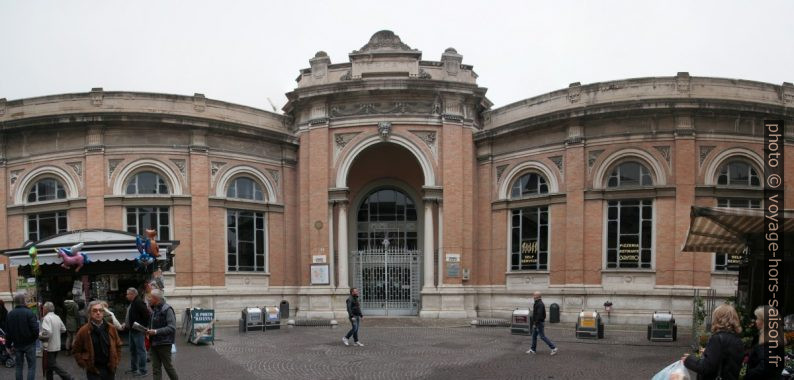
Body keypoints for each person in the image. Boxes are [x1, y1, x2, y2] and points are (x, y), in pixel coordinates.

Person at [682, 304, 745, 380]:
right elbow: (726, 361)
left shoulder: (718, 339)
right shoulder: (738, 340)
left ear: (718, 319)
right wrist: (708, 352)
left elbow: (706, 368)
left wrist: (689, 360)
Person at [72, 300, 123, 380]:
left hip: (110, 367)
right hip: (94, 369)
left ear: (103, 312)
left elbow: (118, 345)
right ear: (90, 313)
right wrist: (84, 364)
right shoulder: (84, 330)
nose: (98, 313)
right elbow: (76, 350)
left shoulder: (111, 328)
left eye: (100, 310)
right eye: (95, 310)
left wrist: (116, 361)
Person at [744, 305, 785, 379]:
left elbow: (765, 367)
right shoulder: (775, 337)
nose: (755, 321)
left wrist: (749, 375)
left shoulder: (767, 340)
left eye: (757, 318)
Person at [6, 292, 39, 380]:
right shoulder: (29, 313)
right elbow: (36, 329)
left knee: (19, 366)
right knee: (31, 367)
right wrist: (33, 339)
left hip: (17, 344)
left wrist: (8, 346)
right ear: (24, 301)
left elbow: (8, 332)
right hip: (29, 343)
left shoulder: (10, 314)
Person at [147, 289, 178, 380]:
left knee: (168, 367)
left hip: (164, 343)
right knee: (156, 368)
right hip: (154, 343)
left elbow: (172, 327)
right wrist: (148, 331)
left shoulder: (167, 309)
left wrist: (156, 331)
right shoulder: (155, 309)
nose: (149, 299)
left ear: (156, 298)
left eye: (150, 298)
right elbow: (154, 324)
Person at [40, 301, 74, 380]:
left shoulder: (46, 318)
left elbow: (47, 332)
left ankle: (68, 377)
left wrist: (40, 336)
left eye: (43, 308)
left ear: (46, 309)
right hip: (56, 344)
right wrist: (56, 333)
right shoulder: (57, 317)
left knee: (52, 364)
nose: (43, 310)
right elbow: (63, 329)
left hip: (49, 345)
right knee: (49, 366)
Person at [123, 287, 150, 377]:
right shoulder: (133, 303)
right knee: (133, 350)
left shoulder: (138, 302)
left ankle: (143, 371)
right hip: (132, 330)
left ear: (133, 294)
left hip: (137, 331)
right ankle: (134, 369)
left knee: (141, 351)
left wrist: (142, 327)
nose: (126, 296)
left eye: (128, 294)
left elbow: (147, 315)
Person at [526, 291, 558, 355]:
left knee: (542, 337)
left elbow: (539, 315)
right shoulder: (538, 303)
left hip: (539, 323)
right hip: (538, 322)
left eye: (534, 295)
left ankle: (553, 348)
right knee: (534, 336)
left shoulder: (539, 304)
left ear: (537, 296)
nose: (533, 296)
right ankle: (533, 349)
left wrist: (536, 323)